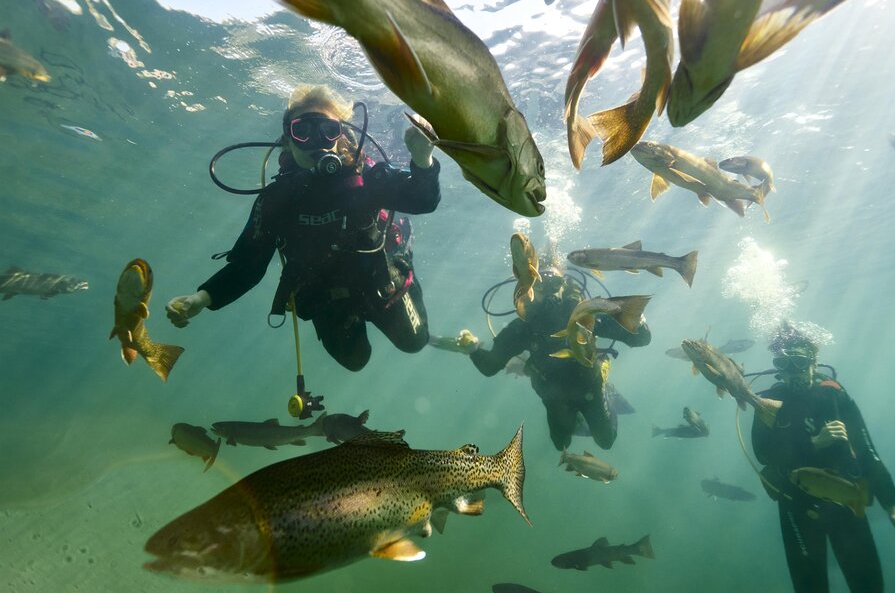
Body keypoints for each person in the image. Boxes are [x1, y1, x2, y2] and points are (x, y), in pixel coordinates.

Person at [166, 85, 441, 372]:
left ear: (340, 136)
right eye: (303, 131)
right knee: (355, 361)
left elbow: (422, 200)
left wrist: (423, 160)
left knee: (414, 342)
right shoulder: (276, 200)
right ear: (288, 140)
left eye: (328, 130)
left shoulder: (366, 176)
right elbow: (247, 266)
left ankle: (402, 278)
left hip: (381, 281)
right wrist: (202, 298)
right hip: (327, 298)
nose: (317, 141)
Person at [751, 325, 895, 593]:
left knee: (869, 586)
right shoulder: (769, 402)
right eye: (783, 364)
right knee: (810, 588)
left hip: (846, 502)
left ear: (814, 362)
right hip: (796, 505)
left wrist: (894, 510)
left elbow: (867, 452)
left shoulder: (833, 395)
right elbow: (763, 454)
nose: (793, 370)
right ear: (777, 368)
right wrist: (813, 443)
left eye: (800, 362)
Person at [453, 261, 651, 451]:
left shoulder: (584, 316)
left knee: (606, 441)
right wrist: (473, 349)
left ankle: (608, 392)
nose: (549, 291)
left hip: (590, 388)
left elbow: (641, 339)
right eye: (541, 284)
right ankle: (575, 419)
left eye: (555, 283)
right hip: (554, 398)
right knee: (561, 445)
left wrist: (637, 321)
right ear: (531, 291)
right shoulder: (524, 327)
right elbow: (490, 366)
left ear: (564, 287)